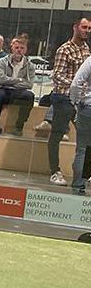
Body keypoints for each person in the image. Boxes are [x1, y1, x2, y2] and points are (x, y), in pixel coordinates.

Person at [46, 17, 90, 186]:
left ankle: (84, 173)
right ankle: (54, 171)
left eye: (89, 28)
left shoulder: (86, 49)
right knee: (57, 133)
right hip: (64, 97)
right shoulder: (64, 49)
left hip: (82, 99)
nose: (86, 30)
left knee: (86, 137)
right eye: (84, 27)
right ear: (75, 28)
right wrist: (75, 85)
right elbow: (56, 75)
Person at [0, 37, 35, 136]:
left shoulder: (30, 65)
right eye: (17, 47)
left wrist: (10, 81)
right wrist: (19, 80)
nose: (19, 50)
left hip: (19, 91)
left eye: (22, 48)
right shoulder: (2, 61)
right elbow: (1, 80)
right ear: (12, 48)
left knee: (29, 96)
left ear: (26, 49)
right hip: (4, 89)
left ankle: (19, 126)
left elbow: (29, 84)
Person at [68, 54, 91, 195]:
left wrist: (75, 102)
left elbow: (76, 83)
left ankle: (78, 186)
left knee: (83, 149)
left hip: (88, 108)